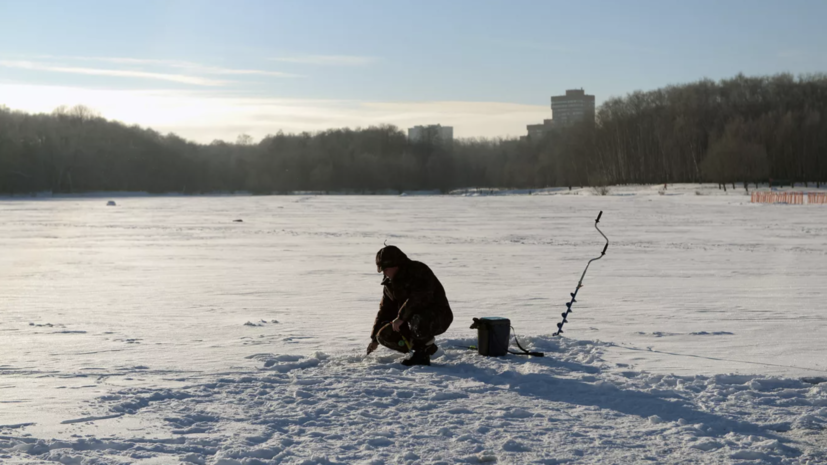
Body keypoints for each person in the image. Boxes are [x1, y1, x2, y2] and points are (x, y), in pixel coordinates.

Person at [366, 245, 453, 366]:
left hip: (438, 316)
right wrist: (374, 340)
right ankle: (423, 346)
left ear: (395, 265)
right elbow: (385, 310)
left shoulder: (418, 271)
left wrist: (401, 318)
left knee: (418, 318)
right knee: (383, 334)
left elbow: (419, 298)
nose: (384, 273)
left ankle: (421, 353)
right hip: (408, 319)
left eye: (385, 269)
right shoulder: (389, 284)